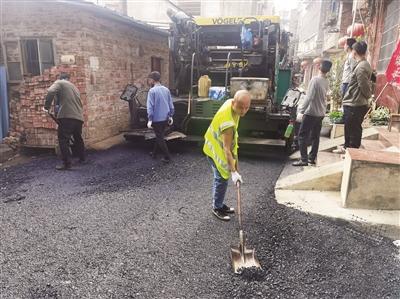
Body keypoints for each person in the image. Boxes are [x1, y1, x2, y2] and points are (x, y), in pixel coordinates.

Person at [203, 90, 251, 221]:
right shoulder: (227, 123)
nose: (243, 111)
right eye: (241, 107)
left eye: (247, 107)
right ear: (234, 103)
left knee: (222, 179)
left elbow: (231, 144)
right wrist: (234, 172)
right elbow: (226, 149)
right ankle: (216, 207)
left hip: (217, 144)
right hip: (215, 149)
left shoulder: (231, 104)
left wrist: (235, 159)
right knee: (222, 178)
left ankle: (219, 204)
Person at [293, 60, 332, 167]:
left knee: (302, 136)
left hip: (311, 112)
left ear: (319, 67)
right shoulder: (326, 81)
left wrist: (301, 110)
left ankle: (304, 159)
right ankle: (312, 158)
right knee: (315, 136)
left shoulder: (315, 80)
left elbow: (309, 97)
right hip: (320, 113)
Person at [334, 41, 372, 153]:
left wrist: (368, 97)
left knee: (354, 128)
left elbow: (364, 86)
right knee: (349, 127)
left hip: (356, 103)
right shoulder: (361, 64)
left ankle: (353, 152)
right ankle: (347, 148)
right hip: (353, 102)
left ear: (354, 52)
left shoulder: (361, 67)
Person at [44, 73, 85, 170]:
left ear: (60, 78)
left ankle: (67, 164)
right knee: (78, 138)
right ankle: (82, 158)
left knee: (63, 140)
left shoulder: (60, 82)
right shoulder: (74, 87)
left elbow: (50, 91)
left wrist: (46, 107)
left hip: (67, 117)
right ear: (68, 79)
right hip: (79, 117)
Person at [146, 71, 174, 163]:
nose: (149, 81)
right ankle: (154, 153)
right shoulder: (166, 90)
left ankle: (167, 157)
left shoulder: (152, 91)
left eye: (149, 79)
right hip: (165, 118)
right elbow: (170, 104)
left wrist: (150, 119)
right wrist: (170, 116)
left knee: (160, 137)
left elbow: (150, 106)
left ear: (153, 80)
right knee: (160, 136)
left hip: (156, 119)